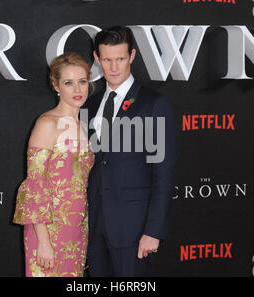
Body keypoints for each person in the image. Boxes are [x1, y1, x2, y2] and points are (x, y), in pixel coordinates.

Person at [83, 26, 177, 277]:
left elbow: (163, 172)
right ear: (97, 58)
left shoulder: (153, 103)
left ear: (132, 56)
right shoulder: (90, 106)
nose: (114, 68)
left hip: (134, 229)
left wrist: (153, 231)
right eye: (107, 60)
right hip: (94, 226)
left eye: (120, 59)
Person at [12, 52, 95, 277]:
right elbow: (34, 185)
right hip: (48, 229)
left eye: (82, 81)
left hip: (77, 228)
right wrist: (44, 241)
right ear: (56, 86)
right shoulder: (47, 124)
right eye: (69, 83)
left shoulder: (85, 126)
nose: (77, 90)